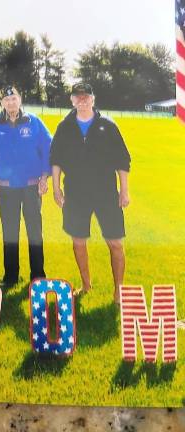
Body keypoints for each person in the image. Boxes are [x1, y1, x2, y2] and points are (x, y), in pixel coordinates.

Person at [50, 82, 131, 304]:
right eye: (78, 97)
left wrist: (124, 191)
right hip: (75, 194)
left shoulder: (108, 125)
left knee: (115, 243)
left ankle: (118, 292)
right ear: (72, 100)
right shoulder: (64, 127)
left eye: (87, 96)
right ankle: (86, 285)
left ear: (93, 99)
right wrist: (56, 188)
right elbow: (55, 159)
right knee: (78, 241)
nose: (83, 100)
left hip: (106, 193)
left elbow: (123, 160)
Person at [0, 86, 52, 287]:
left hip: (31, 187)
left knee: (35, 232)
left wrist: (45, 176)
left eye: (14, 98)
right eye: (6, 99)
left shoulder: (34, 122)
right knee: (10, 232)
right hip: (6, 188)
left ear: (20, 99)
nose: (11, 103)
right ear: (1, 103)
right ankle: (11, 275)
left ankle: (38, 276)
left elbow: (48, 148)